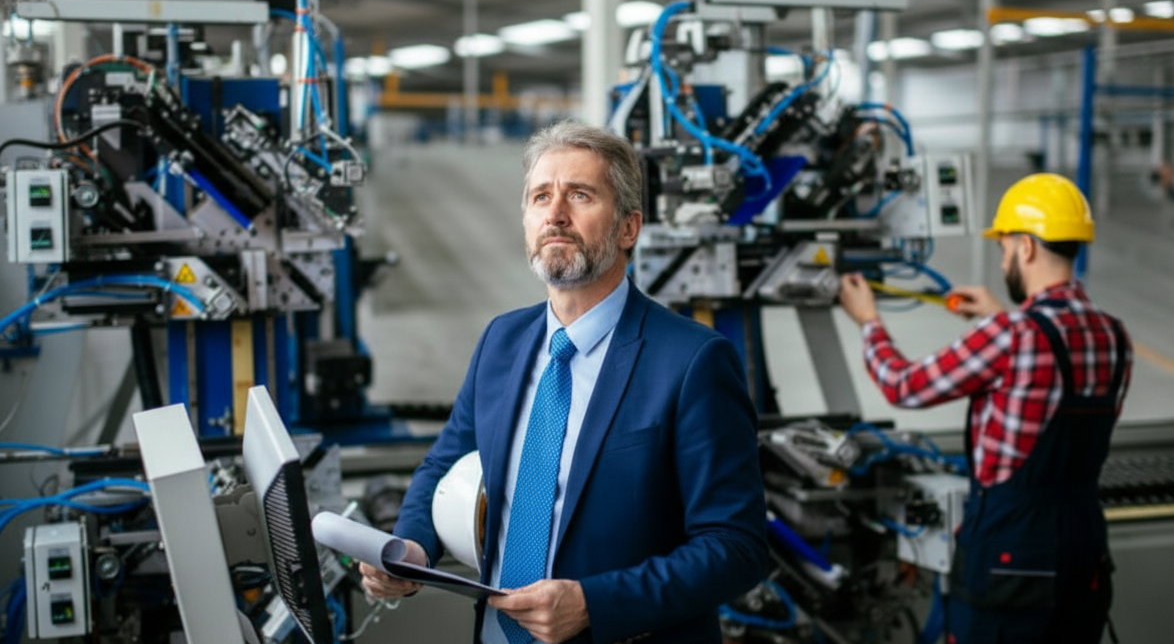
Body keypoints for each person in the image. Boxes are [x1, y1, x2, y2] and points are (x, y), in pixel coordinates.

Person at [361, 120, 767, 644]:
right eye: (540, 197)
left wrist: (594, 604)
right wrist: (411, 550)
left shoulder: (693, 361)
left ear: (628, 228)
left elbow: (735, 546)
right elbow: (445, 462)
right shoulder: (500, 342)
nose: (555, 214)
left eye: (579, 195)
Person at [839, 172, 1132, 644]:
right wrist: (1001, 316)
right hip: (1084, 553)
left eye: (1004, 249)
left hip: (1009, 558)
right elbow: (1051, 384)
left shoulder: (1011, 337)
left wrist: (868, 321)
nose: (1003, 264)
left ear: (1027, 247)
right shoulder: (1115, 335)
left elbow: (903, 385)